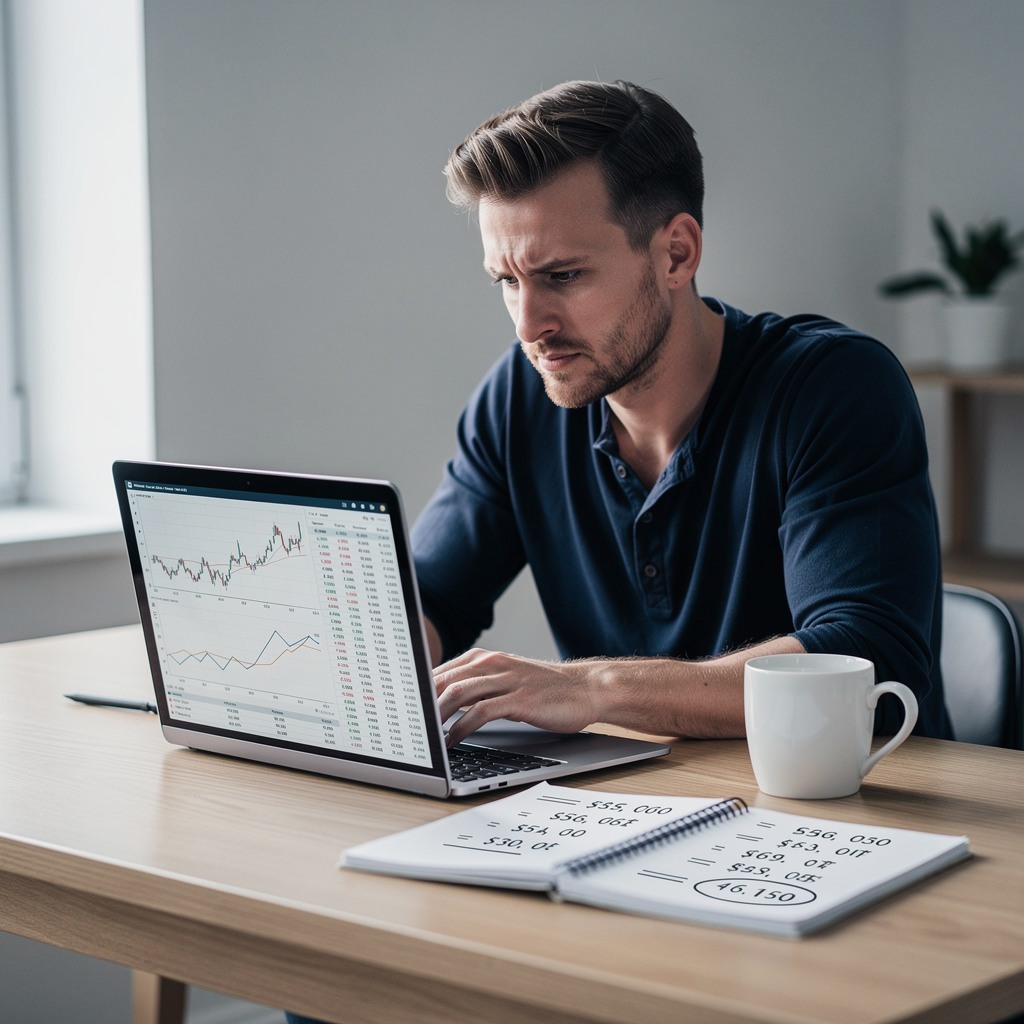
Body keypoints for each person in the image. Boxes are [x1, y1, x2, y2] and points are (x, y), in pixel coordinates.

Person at [283, 77, 949, 1024]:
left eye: (562, 276)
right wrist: (341, 651)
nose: (528, 326)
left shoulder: (832, 389)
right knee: (336, 982)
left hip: (836, 853)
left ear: (675, 252)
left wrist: (590, 690)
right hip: (629, 834)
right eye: (506, 282)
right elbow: (428, 600)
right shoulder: (520, 401)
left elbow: (863, 656)